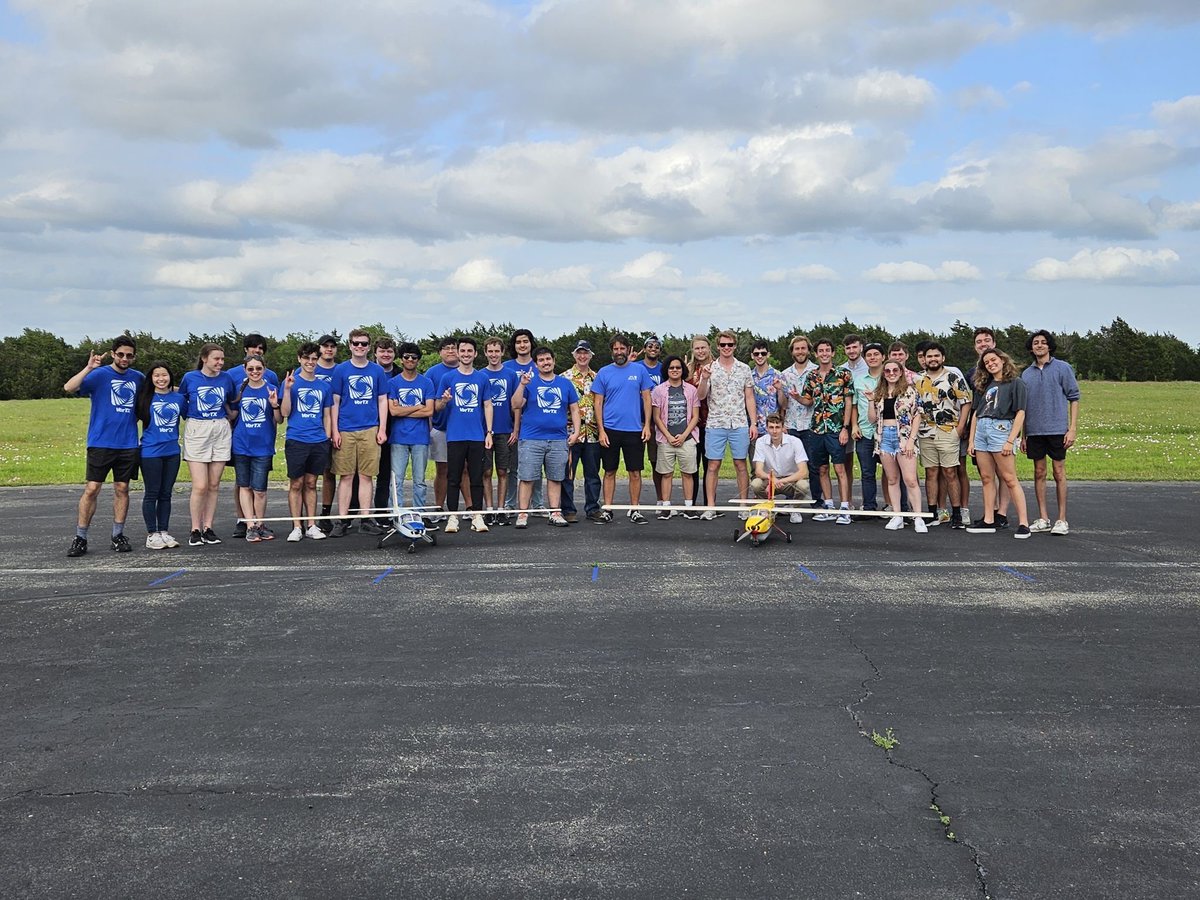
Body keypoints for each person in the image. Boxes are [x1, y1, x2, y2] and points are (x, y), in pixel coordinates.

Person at [64, 336, 145, 557]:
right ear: (113, 354)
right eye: (121, 354)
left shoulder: (138, 378)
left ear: (134, 356)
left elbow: (160, 386)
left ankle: (118, 535)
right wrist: (89, 367)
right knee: (92, 489)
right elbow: (69, 387)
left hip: (127, 442)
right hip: (100, 441)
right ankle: (80, 537)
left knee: (122, 488)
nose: (125, 358)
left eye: (129, 355)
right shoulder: (99, 375)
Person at [510, 346, 581, 528]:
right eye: (541, 360)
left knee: (556, 477)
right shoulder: (528, 382)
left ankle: (555, 512)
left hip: (558, 439)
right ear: (536, 363)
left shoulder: (565, 384)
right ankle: (523, 513)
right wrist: (522, 385)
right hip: (531, 439)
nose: (545, 363)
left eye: (548, 359)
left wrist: (576, 432)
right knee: (527, 477)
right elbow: (516, 404)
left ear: (553, 361)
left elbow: (574, 409)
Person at [329, 329, 389, 538]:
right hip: (346, 429)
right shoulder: (341, 370)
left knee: (366, 476)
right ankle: (343, 520)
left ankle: (365, 518)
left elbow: (382, 400)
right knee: (346, 476)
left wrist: (382, 428)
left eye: (364, 344)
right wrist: (335, 430)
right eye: (356, 343)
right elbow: (335, 401)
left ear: (369, 346)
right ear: (350, 345)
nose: (360, 347)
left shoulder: (377, 371)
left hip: (370, 428)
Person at [967, 349, 1032, 538]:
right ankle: (988, 519)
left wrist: (1011, 440)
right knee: (987, 478)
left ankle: (1023, 523)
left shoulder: (1016, 383)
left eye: (993, 360)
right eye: (986, 362)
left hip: (1001, 429)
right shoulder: (984, 385)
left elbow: (1020, 412)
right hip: (982, 430)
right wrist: (972, 440)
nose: (990, 364)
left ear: (1003, 360)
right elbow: (976, 413)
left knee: (1009, 478)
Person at [1021, 330, 1081, 535]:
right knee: (1039, 473)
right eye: (1036, 343)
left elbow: (1074, 398)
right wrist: (1023, 435)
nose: (1039, 345)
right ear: (1031, 347)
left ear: (1049, 346)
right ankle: (1043, 517)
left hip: (1057, 429)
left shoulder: (1062, 368)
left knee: (1058, 472)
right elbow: (1023, 407)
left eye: (1043, 342)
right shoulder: (1026, 373)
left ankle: (1062, 519)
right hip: (1034, 431)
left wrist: (1072, 428)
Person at [434, 337, 494, 533]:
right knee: (453, 477)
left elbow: (487, 405)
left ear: (475, 354)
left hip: (477, 436)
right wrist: (444, 400)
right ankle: (453, 517)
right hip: (455, 436)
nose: (466, 354)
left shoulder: (482, 378)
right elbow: (437, 406)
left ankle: (477, 515)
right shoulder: (448, 378)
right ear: (458, 353)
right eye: (463, 351)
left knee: (476, 477)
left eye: (470, 351)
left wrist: (489, 433)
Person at [179, 343, 237, 546]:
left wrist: (229, 418)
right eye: (216, 359)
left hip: (220, 428)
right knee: (200, 485)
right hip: (198, 428)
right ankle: (195, 528)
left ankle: (208, 527)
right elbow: (182, 401)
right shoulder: (190, 377)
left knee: (214, 484)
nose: (220, 363)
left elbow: (231, 401)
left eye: (222, 359)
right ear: (204, 358)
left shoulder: (226, 378)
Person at [592, 334, 654, 523]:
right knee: (609, 471)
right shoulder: (604, 372)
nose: (619, 352)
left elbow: (647, 398)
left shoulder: (639, 370)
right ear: (611, 351)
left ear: (628, 349)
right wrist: (601, 430)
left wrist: (647, 426)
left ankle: (634, 509)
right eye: (615, 349)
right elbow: (598, 402)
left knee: (634, 472)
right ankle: (608, 509)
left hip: (634, 429)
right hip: (610, 429)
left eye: (622, 348)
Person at [699, 330, 757, 519]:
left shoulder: (744, 369)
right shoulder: (709, 368)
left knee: (740, 464)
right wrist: (705, 378)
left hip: (739, 422)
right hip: (716, 423)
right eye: (723, 345)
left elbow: (749, 397)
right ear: (717, 346)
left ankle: (743, 505)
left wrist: (753, 423)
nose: (726, 348)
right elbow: (700, 396)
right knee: (713, 465)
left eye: (730, 345)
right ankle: (710, 506)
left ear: (735, 346)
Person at [226, 334, 279, 538]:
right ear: (244, 369)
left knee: (260, 489)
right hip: (242, 444)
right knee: (244, 485)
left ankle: (260, 523)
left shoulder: (271, 386)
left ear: (264, 369)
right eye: (251, 369)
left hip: (263, 444)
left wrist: (274, 405)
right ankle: (249, 525)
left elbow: (279, 418)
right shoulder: (239, 389)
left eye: (258, 368)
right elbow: (232, 413)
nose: (255, 372)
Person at [915, 342, 971, 529]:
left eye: (936, 356)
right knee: (931, 472)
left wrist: (961, 427)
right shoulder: (918, 379)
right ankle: (933, 512)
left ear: (943, 358)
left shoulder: (953, 376)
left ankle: (957, 514)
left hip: (948, 430)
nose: (932, 359)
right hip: (925, 431)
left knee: (950, 472)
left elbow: (966, 402)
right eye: (929, 356)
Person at [280, 342, 332, 542]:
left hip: (318, 440)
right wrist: (287, 389)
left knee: (311, 483)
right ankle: (296, 526)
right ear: (299, 359)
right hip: (296, 439)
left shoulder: (323, 386)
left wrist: (326, 437)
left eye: (313, 359)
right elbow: (284, 413)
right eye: (306, 358)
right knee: (296, 483)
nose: (310, 362)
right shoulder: (291, 383)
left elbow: (327, 415)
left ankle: (311, 524)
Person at [799, 338, 854, 524]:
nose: (824, 353)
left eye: (827, 350)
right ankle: (828, 506)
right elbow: (808, 401)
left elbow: (848, 402)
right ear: (816, 354)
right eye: (820, 351)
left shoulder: (843, 374)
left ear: (832, 353)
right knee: (821, 469)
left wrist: (845, 428)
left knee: (840, 468)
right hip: (816, 429)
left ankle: (845, 507)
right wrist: (795, 396)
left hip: (836, 429)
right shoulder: (811, 376)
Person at [869, 362, 928, 533]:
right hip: (884, 437)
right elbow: (872, 419)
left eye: (895, 370)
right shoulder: (879, 393)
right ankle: (897, 515)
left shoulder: (909, 391)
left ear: (901, 372)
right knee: (892, 479)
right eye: (887, 370)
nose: (891, 373)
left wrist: (911, 440)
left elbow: (917, 415)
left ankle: (918, 517)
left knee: (910, 479)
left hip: (903, 436)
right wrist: (871, 401)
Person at [136, 361, 183, 550]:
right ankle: (152, 533)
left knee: (166, 494)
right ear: (151, 379)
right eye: (157, 375)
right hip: (150, 452)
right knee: (152, 493)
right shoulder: (145, 398)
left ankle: (163, 531)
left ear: (170, 377)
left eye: (164, 375)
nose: (161, 379)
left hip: (172, 452)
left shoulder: (178, 398)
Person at [649, 355, 702, 519]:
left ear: (682, 370)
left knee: (688, 473)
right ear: (666, 370)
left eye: (678, 367)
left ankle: (688, 507)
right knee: (666, 473)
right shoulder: (659, 390)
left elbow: (695, 416)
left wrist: (684, 435)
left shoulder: (691, 390)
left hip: (687, 439)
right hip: (666, 440)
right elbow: (656, 417)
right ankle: (666, 507)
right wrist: (669, 436)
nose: (675, 370)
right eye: (671, 368)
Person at [387, 341, 435, 514]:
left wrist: (403, 410)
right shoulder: (393, 383)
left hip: (420, 437)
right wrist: (417, 406)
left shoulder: (426, 383)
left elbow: (429, 410)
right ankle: (396, 513)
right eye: (406, 357)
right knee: (397, 479)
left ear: (418, 360)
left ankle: (419, 513)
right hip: (398, 437)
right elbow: (393, 411)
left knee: (420, 480)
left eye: (414, 357)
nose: (410, 360)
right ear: (401, 360)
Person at [779, 334, 822, 507]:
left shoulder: (817, 371)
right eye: (797, 348)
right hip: (791, 424)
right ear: (792, 351)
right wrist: (781, 392)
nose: (800, 351)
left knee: (813, 465)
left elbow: (814, 399)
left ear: (808, 350)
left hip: (811, 424)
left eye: (803, 348)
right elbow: (782, 404)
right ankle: (792, 502)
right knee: (792, 466)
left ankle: (817, 502)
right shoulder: (785, 374)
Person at [561, 340, 602, 523]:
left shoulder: (598, 377)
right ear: (574, 355)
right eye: (579, 353)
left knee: (592, 474)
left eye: (586, 353)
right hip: (571, 432)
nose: (582, 356)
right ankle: (568, 509)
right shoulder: (564, 377)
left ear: (591, 355)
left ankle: (592, 508)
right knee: (568, 473)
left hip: (592, 432)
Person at [503, 328, 541, 514]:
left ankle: (538, 503)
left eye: (525, 341)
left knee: (535, 466)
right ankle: (510, 504)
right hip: (510, 423)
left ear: (531, 343)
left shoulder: (540, 364)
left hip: (535, 423)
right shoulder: (507, 366)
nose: (522, 345)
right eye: (518, 342)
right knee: (513, 467)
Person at [482, 336, 519, 525]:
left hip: (505, 430)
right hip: (485, 432)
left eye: (497, 351)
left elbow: (516, 405)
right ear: (485, 353)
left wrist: (516, 429)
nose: (494, 354)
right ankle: (489, 509)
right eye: (490, 351)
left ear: (502, 352)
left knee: (503, 471)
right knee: (486, 472)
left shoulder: (511, 375)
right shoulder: (480, 375)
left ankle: (501, 508)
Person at [751, 413, 810, 524]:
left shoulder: (795, 441)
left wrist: (780, 481)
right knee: (756, 484)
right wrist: (772, 480)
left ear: (783, 428)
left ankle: (795, 509)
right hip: (770, 481)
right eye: (771, 427)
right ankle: (768, 508)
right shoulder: (760, 442)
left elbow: (803, 472)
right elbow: (758, 471)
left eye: (777, 427)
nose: (774, 431)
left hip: (789, 481)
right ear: (767, 428)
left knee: (803, 485)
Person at [424, 337, 460, 511]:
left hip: (463, 430)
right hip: (440, 428)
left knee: (465, 470)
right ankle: (439, 506)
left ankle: (469, 508)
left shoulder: (468, 371)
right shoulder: (432, 373)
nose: (451, 351)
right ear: (440, 352)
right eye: (446, 348)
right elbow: (428, 402)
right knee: (442, 470)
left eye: (454, 347)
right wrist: (429, 426)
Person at [848, 342, 884, 514]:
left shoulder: (890, 377)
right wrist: (854, 425)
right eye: (869, 355)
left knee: (894, 474)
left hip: (887, 433)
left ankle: (900, 508)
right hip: (864, 432)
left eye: (876, 354)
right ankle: (869, 507)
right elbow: (854, 405)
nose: (872, 358)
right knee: (867, 473)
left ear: (883, 357)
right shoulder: (859, 380)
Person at [313, 334, 339, 528]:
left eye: (332, 346)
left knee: (330, 473)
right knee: (310, 476)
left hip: (335, 427)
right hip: (312, 429)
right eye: (325, 346)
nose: (329, 349)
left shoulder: (341, 370)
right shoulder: (308, 368)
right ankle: (307, 518)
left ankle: (325, 514)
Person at [684, 335, 713, 506]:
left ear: (709, 348)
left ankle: (710, 504)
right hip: (692, 424)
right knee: (692, 465)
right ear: (693, 350)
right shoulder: (688, 370)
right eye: (697, 348)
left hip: (712, 424)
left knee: (710, 466)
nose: (700, 351)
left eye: (703, 347)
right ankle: (691, 504)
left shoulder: (718, 367)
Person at [749, 339, 784, 460]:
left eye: (763, 353)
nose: (760, 356)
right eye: (756, 353)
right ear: (752, 356)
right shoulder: (748, 376)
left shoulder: (777, 375)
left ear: (768, 354)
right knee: (756, 467)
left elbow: (784, 404)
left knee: (776, 467)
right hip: (754, 429)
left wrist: (780, 390)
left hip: (774, 428)